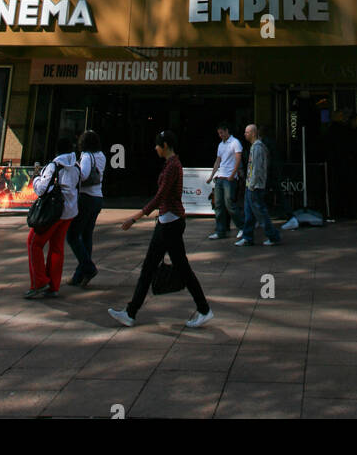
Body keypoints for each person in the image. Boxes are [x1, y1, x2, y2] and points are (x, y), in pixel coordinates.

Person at [109, 130, 213, 329]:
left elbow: (160, 196)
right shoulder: (171, 164)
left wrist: (135, 217)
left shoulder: (173, 166)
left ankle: (204, 309)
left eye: (157, 145)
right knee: (159, 268)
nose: (155, 148)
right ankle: (131, 312)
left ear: (165, 145)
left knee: (167, 268)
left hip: (170, 223)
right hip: (168, 221)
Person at [26, 135, 80, 299]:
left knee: (33, 243)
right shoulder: (76, 166)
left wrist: (35, 179)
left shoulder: (54, 166)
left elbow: (41, 189)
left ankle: (39, 282)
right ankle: (53, 286)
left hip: (53, 212)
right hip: (69, 211)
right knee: (57, 247)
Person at [67, 129, 106, 287]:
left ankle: (88, 268)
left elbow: (83, 175)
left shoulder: (86, 156)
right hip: (98, 197)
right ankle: (79, 275)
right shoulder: (101, 156)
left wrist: (73, 169)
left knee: (72, 236)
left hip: (86, 198)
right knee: (86, 235)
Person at [236, 124, 281, 246]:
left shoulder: (257, 148)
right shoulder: (255, 147)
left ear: (253, 133)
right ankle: (247, 237)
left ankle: (273, 236)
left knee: (260, 213)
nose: (245, 134)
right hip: (251, 185)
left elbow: (257, 168)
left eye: (247, 132)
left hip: (254, 186)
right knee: (250, 213)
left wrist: (252, 184)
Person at [206, 120, 244, 240]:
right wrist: (212, 176)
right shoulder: (220, 145)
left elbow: (238, 159)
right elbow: (218, 161)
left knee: (229, 204)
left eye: (222, 133)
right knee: (218, 205)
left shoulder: (235, 142)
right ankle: (220, 231)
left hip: (229, 178)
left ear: (227, 131)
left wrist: (233, 175)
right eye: (219, 133)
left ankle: (242, 227)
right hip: (221, 177)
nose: (220, 135)